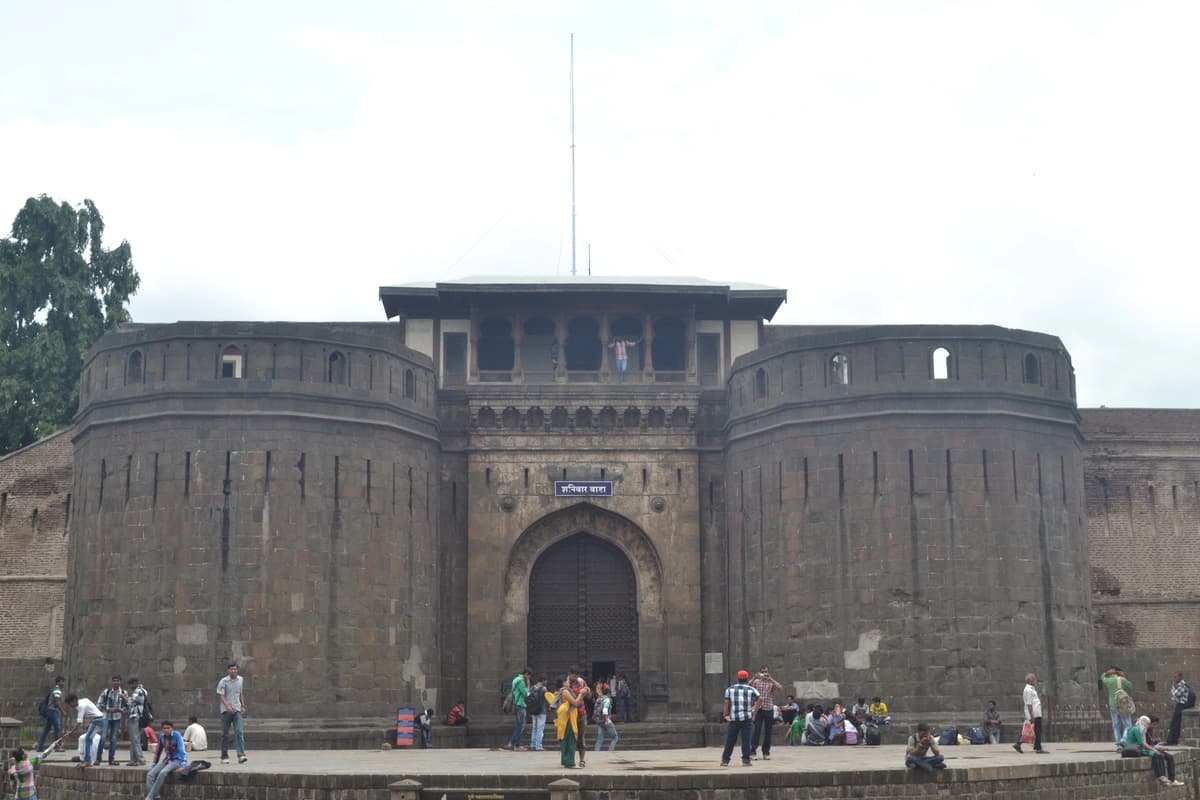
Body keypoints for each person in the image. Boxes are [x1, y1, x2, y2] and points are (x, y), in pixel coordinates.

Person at [1123, 715, 1184, 787]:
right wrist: (1154, 750)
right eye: (1147, 724)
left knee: (1164, 755)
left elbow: (1146, 742)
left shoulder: (1143, 730)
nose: (1148, 726)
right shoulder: (1136, 729)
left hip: (1141, 748)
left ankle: (1167, 778)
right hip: (1136, 749)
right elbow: (1142, 743)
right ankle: (1160, 776)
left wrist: (1156, 748)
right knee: (1156, 754)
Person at [719, 669, 760, 767]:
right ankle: (746, 760)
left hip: (734, 718)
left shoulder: (730, 689)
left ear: (738, 678)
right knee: (746, 740)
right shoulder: (751, 689)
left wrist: (725, 715)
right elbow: (760, 699)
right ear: (747, 679)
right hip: (747, 718)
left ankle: (725, 760)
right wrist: (755, 711)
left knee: (730, 740)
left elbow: (726, 702)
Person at [747, 664, 783, 760]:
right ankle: (752, 752)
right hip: (758, 709)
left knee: (768, 732)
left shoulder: (771, 683)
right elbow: (747, 687)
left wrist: (771, 678)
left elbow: (780, 688)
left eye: (766, 672)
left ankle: (766, 752)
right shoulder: (756, 682)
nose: (764, 674)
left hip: (768, 708)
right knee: (756, 731)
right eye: (762, 672)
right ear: (760, 672)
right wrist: (754, 677)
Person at [145, 720, 187, 800]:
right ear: (162, 729)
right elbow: (158, 751)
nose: (166, 730)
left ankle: (150, 797)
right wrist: (154, 764)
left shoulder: (177, 735)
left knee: (163, 772)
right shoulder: (162, 736)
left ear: (172, 728)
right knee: (150, 775)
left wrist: (182, 765)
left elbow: (182, 751)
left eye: (168, 728)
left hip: (177, 760)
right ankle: (156, 796)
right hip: (167, 760)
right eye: (164, 728)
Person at [216, 662, 247, 764]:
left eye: (235, 669)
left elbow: (241, 693)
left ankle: (241, 755)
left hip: (237, 709)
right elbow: (221, 695)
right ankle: (224, 756)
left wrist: (243, 705)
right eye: (231, 669)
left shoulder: (240, 680)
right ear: (228, 670)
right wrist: (227, 706)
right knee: (225, 734)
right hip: (226, 711)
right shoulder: (223, 681)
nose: (233, 671)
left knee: (239, 732)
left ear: (237, 670)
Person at [95, 674, 128, 766]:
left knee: (113, 739)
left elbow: (127, 706)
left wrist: (119, 710)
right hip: (106, 717)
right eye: (114, 680)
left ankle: (111, 759)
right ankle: (98, 759)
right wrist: (108, 709)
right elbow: (98, 704)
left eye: (118, 680)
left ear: (120, 682)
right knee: (102, 737)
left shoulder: (124, 693)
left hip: (117, 718)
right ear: (112, 682)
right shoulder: (106, 692)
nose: (116, 682)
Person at [1012, 672, 1047, 754]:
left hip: (1036, 712)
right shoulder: (1028, 690)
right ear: (1029, 680)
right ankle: (1038, 748)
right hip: (1034, 713)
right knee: (1036, 730)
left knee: (1030, 731)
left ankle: (1019, 743)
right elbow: (1029, 704)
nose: (1035, 680)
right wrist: (1031, 716)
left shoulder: (1031, 689)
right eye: (1034, 679)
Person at [1101, 665, 1134, 748]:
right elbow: (1130, 686)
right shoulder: (1122, 680)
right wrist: (1124, 676)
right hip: (1123, 705)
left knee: (1116, 726)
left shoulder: (1108, 680)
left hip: (1113, 705)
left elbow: (1102, 677)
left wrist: (1106, 673)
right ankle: (1124, 739)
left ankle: (1118, 745)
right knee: (1127, 725)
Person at [554, 679, 582, 768]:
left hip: (564, 717)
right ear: (563, 683)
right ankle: (570, 763)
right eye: (567, 681)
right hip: (567, 718)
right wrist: (581, 694)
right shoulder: (565, 691)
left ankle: (566, 761)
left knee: (565, 739)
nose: (569, 682)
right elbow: (575, 703)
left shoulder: (561, 691)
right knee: (570, 740)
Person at [34, 676, 67, 753]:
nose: (63, 683)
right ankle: (57, 746)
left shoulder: (55, 690)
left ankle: (40, 746)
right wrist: (63, 711)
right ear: (58, 682)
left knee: (46, 729)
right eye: (62, 681)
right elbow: (57, 702)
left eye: (63, 681)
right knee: (57, 728)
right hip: (52, 711)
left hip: (50, 710)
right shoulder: (57, 690)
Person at [567, 666, 591, 764]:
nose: (575, 678)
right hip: (569, 714)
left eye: (577, 676)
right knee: (570, 737)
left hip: (581, 713)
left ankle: (582, 760)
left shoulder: (581, 682)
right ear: (570, 674)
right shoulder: (566, 683)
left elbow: (589, 696)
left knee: (581, 737)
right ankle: (569, 759)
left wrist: (587, 690)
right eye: (573, 675)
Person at [506, 668, 531, 750]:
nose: (529, 678)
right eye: (529, 676)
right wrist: (528, 685)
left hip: (516, 704)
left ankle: (512, 742)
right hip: (520, 704)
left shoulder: (515, 679)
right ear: (526, 674)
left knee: (519, 725)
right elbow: (526, 693)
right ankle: (517, 744)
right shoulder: (521, 681)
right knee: (521, 726)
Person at [126, 677, 149, 766]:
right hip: (138, 717)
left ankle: (141, 759)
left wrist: (125, 698)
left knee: (135, 739)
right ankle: (133, 760)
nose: (130, 686)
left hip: (136, 717)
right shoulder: (143, 690)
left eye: (131, 684)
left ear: (135, 683)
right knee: (134, 739)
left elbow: (132, 703)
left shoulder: (138, 691)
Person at [1167, 672, 1193, 746]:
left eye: (1175, 677)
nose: (1174, 679)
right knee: (1174, 723)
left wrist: (1173, 686)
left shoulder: (1183, 686)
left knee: (1175, 723)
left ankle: (1172, 741)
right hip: (1179, 704)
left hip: (1182, 705)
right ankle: (1172, 740)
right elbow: (1174, 698)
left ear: (1180, 677)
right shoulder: (1179, 686)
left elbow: (1175, 694)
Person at [593, 682, 618, 752]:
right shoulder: (607, 700)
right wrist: (607, 719)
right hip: (605, 720)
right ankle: (610, 751)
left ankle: (596, 753)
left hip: (599, 721)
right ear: (609, 694)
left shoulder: (599, 699)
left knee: (600, 738)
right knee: (615, 737)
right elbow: (605, 710)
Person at [527, 676, 548, 751]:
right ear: (543, 681)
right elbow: (547, 699)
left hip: (533, 710)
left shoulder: (532, 688)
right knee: (540, 728)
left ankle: (532, 744)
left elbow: (528, 696)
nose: (546, 682)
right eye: (545, 681)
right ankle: (538, 745)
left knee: (534, 728)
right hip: (541, 710)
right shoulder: (544, 689)